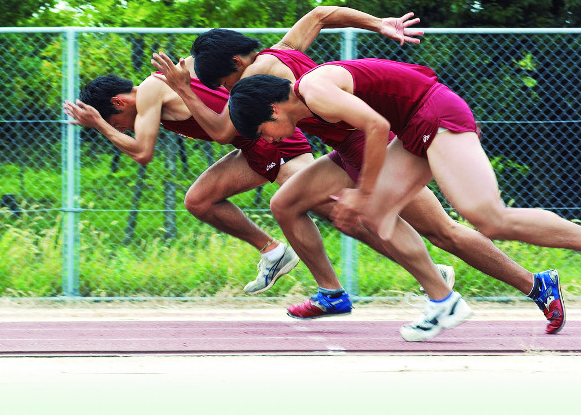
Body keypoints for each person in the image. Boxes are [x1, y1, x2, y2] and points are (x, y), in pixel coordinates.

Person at [151, 6, 563, 340]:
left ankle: (524, 284)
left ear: (239, 62)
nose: (231, 93)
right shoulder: (281, 50)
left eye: (227, 82)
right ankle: (337, 291)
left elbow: (225, 130)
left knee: (444, 231)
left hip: (371, 147)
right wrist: (377, 22)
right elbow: (320, 14)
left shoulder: (259, 76)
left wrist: (184, 88)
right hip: (348, 148)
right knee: (286, 203)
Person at [226, 58, 574, 339]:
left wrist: (363, 192)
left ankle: (537, 272)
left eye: (261, 133)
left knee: (488, 218)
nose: (267, 142)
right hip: (411, 128)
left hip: (435, 113)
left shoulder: (314, 91)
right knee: (378, 217)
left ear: (273, 110)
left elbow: (376, 127)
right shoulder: (303, 102)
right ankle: (443, 302)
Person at [64, 69, 314, 296]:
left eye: (114, 123)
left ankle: (331, 290)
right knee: (199, 201)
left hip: (274, 139)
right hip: (251, 146)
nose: (120, 130)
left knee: (336, 206)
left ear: (118, 102)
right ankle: (274, 253)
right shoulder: (152, 97)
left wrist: (98, 124)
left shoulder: (151, 89)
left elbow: (142, 153)